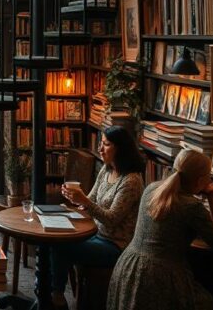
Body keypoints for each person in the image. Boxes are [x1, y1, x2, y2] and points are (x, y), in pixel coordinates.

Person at [108, 149, 213, 310]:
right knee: (207, 301)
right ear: (201, 180)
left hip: (129, 267)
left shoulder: (152, 189)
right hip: (161, 278)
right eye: (209, 175)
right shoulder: (192, 207)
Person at [52, 126, 146, 308]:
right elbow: (91, 200)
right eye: (101, 143)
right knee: (53, 238)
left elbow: (111, 219)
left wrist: (85, 202)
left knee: (59, 247)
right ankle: (50, 292)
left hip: (115, 245)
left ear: (121, 148)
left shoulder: (131, 181)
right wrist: (75, 198)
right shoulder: (107, 169)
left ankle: (56, 296)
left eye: (106, 144)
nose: (100, 149)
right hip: (95, 233)